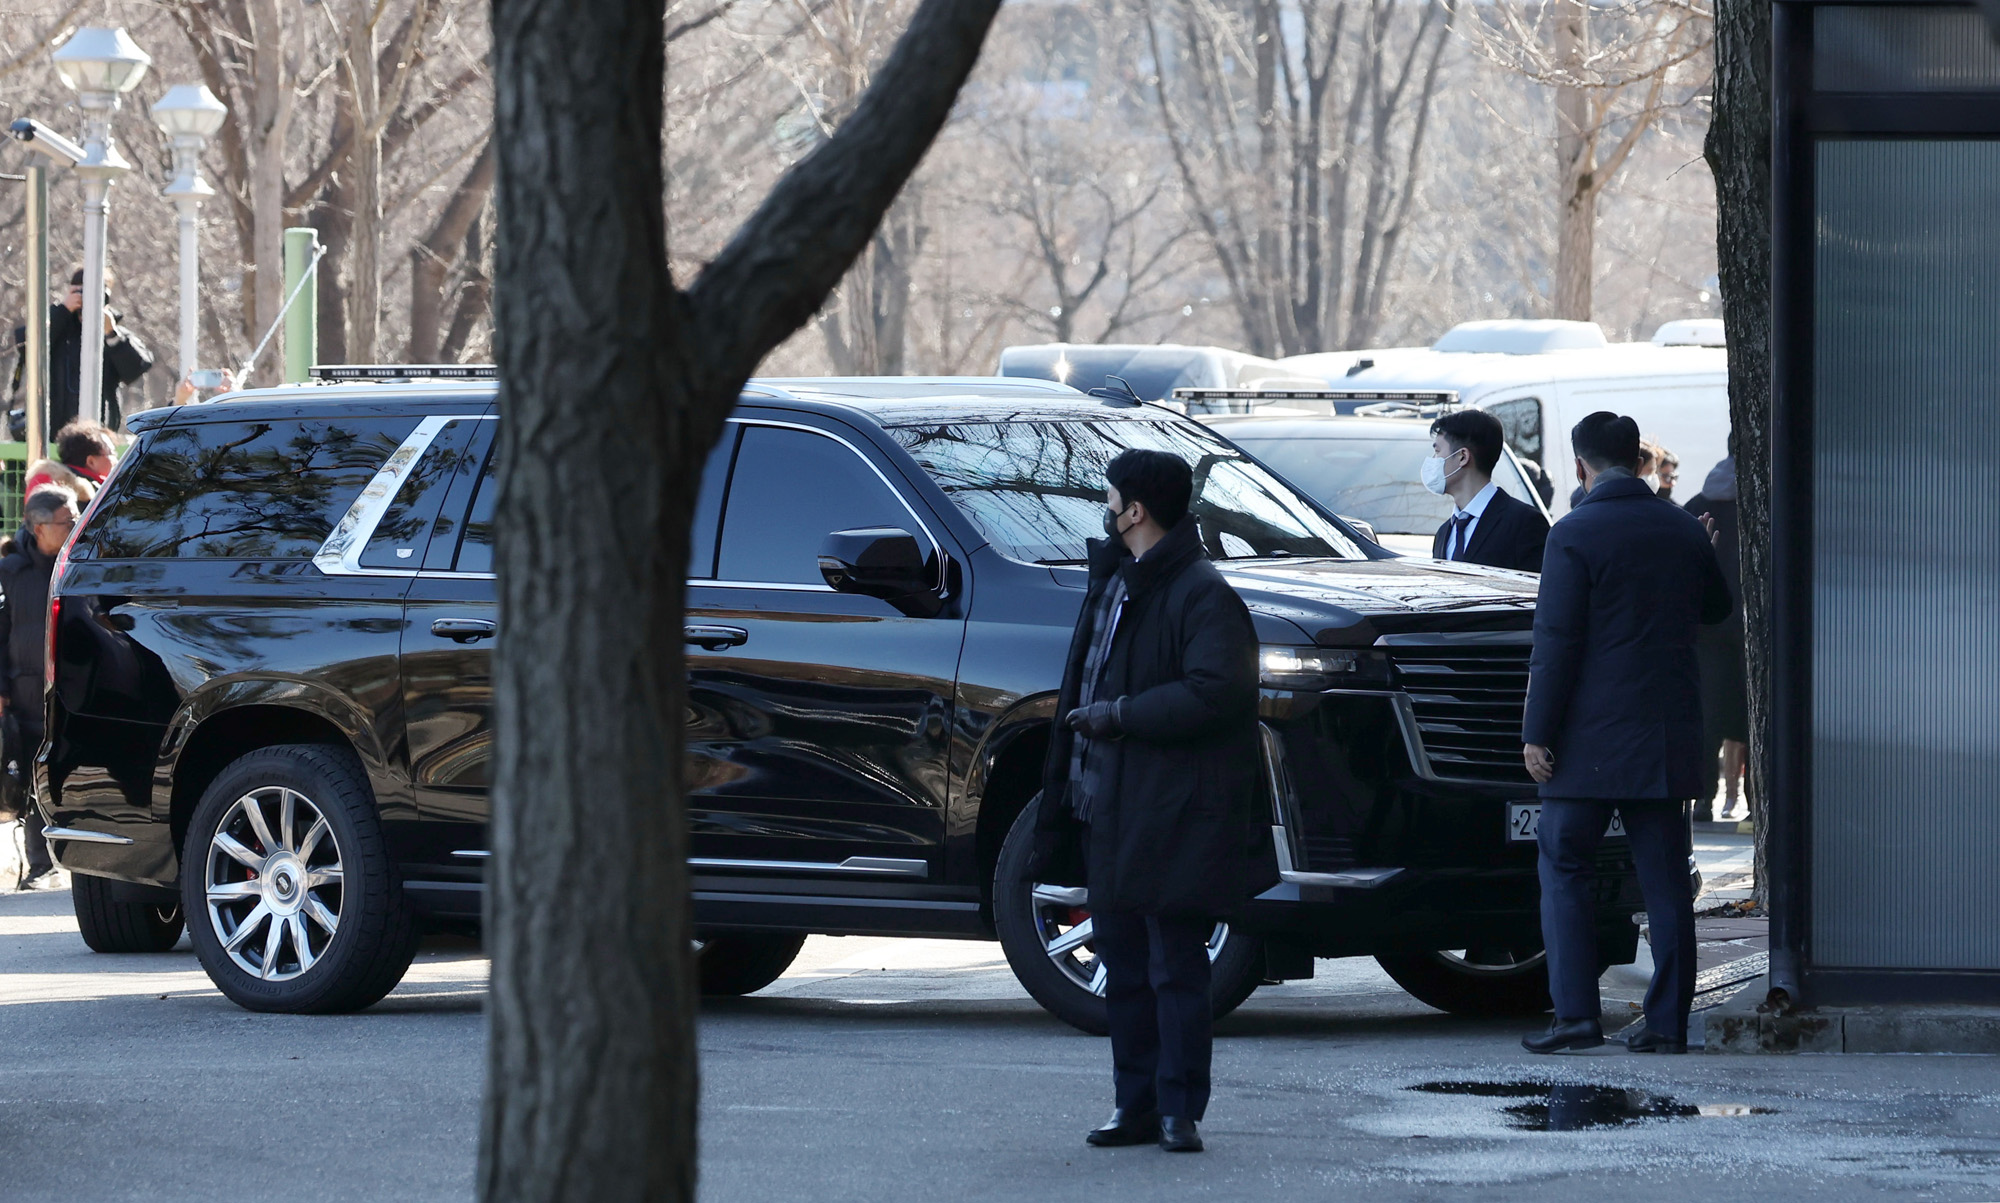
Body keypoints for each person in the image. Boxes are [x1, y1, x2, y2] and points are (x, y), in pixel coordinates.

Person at [1029, 448, 1269, 1154]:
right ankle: (1132, 1104)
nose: (1104, 510)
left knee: (1174, 967)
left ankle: (1178, 1109)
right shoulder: (1116, 583)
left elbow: (1217, 692)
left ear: (1135, 510)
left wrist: (1122, 713)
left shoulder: (1201, 591)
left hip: (1172, 812)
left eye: (1110, 498)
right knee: (1125, 970)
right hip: (1110, 804)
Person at [1520, 411, 1731, 1056]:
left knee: (1565, 869)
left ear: (1581, 464)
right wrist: (1703, 546)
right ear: (1641, 461)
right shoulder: (1681, 528)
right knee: (1666, 881)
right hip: (1664, 732)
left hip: (1586, 736)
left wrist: (1537, 733)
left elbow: (1556, 642)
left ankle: (1577, 1015)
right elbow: (1717, 610)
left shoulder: (1573, 533)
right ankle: (1666, 1022)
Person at [2, 488, 78, 889]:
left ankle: (82, 862)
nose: (73, 526)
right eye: (66, 522)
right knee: (31, 779)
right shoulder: (11, 571)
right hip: (28, 694)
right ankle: (38, 864)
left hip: (76, 692)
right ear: (39, 527)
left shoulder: (77, 566)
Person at [1683, 456, 1748, 822]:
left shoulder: (1697, 506)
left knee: (1707, 716)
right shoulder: (1766, 501)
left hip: (1707, 629)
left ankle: (1704, 798)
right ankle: (1757, 800)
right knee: (1757, 712)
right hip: (1754, 629)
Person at [13, 268, 154, 433]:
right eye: (80, 291)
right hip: (51, 430)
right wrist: (63, 310)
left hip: (99, 432)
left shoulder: (112, 330)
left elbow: (137, 368)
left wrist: (111, 334)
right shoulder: (54, 325)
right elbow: (26, 345)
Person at [1424, 409, 1550, 572]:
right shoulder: (1444, 533)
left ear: (1462, 456)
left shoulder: (1524, 523)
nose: (1433, 461)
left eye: (1437, 451)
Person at [24, 419, 117, 510]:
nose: (116, 460)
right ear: (91, 461)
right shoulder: (97, 493)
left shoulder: (46, 477)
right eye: (111, 453)